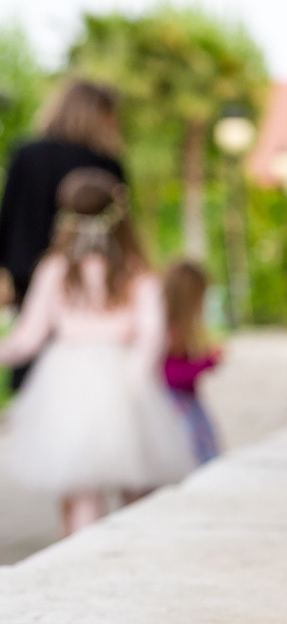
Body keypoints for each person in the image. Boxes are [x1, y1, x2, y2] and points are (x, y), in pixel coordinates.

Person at [0, 169, 195, 536]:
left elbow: (27, 338)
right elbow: (151, 335)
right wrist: (133, 382)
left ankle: (78, 562)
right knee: (136, 486)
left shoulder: (55, 269)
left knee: (80, 491)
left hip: (67, 382)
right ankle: (133, 557)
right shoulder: (136, 271)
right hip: (123, 377)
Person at [0, 81, 126, 390]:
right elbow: (120, 229)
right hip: (90, 274)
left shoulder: (27, 153)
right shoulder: (105, 163)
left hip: (27, 274)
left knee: (33, 353)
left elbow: (8, 218)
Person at [161, 260, 223, 465]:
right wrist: (206, 362)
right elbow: (170, 375)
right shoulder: (168, 330)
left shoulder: (176, 329)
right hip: (174, 410)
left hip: (187, 405)